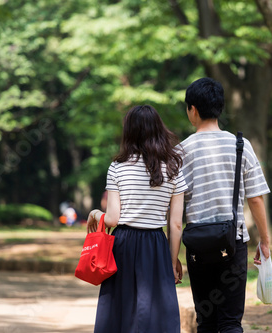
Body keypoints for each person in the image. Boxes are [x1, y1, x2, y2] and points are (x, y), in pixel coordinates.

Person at [180, 77, 271, 332]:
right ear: (219, 107)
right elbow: (255, 197)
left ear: (193, 110)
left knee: (205, 320)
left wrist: (172, 253)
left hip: (197, 246)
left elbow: (175, 209)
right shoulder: (240, 145)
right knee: (231, 320)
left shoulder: (182, 151)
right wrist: (264, 240)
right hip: (233, 243)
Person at [86, 105, 187, 333]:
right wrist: (172, 261)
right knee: (156, 313)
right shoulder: (173, 167)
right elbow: (176, 224)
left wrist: (95, 214)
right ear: (158, 129)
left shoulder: (118, 167)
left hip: (123, 244)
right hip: (155, 244)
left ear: (129, 131)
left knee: (121, 310)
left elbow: (112, 219)